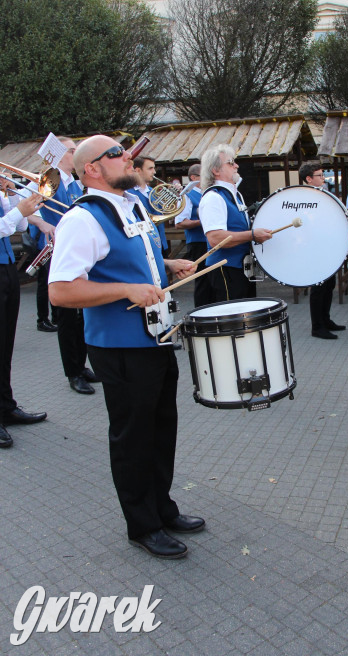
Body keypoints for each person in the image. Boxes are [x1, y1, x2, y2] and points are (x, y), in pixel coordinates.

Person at [48, 135, 203, 558]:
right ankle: (142, 525)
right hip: (119, 344)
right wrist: (126, 290)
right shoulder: (82, 219)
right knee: (133, 436)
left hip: (156, 335)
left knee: (161, 426)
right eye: (116, 154)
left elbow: (138, 257)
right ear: (92, 169)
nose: (127, 156)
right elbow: (61, 291)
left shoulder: (133, 203)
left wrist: (168, 265)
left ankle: (163, 507)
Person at [29, 137, 97, 395]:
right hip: (57, 251)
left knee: (82, 315)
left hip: (76, 250)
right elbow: (25, 209)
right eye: (71, 151)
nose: (75, 154)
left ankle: (81, 364)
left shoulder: (75, 185)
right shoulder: (48, 179)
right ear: (57, 155)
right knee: (68, 316)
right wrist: (43, 224)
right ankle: (72, 372)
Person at [0, 180, 48, 449]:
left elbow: (17, 227)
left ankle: (6, 406)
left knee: (5, 343)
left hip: (6, 267)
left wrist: (13, 201)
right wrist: (18, 209)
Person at [198, 145, 272, 302]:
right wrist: (252, 235)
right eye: (230, 163)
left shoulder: (233, 195)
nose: (236, 166)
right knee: (232, 321)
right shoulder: (213, 197)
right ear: (216, 170)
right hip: (225, 269)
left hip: (239, 268)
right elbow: (216, 238)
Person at [299, 161, 346, 340]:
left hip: (326, 246)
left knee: (329, 285)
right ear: (309, 179)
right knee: (318, 288)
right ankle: (317, 327)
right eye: (319, 175)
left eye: (322, 174)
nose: (323, 178)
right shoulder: (303, 197)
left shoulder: (323, 194)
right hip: (313, 248)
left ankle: (326, 320)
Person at [174, 163, 213, 307]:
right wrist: (203, 221)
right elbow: (180, 223)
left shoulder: (205, 194)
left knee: (211, 279)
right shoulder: (187, 196)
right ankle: (201, 312)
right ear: (194, 177)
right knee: (202, 279)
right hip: (198, 242)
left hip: (207, 241)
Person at [131, 155, 169, 255]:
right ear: (138, 170)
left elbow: (165, 212)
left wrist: (177, 195)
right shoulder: (128, 194)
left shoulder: (153, 192)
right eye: (150, 168)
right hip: (143, 246)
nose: (154, 172)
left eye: (154, 168)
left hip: (160, 242)